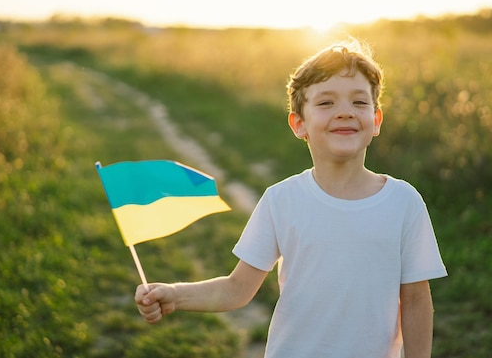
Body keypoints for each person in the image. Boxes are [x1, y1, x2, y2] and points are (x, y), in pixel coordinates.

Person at [135, 39, 447, 358]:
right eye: (326, 103)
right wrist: (175, 295)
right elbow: (237, 288)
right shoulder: (281, 201)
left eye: (359, 102)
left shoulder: (403, 202)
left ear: (376, 120)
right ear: (299, 124)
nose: (344, 113)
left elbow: (416, 299)